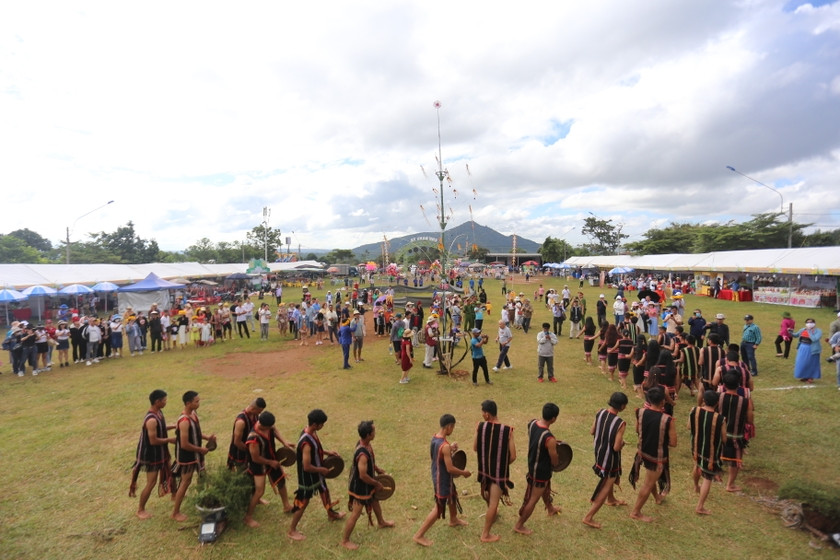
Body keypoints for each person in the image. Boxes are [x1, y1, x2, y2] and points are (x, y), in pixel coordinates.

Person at [413, 413, 471, 546]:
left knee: (452, 496)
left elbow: (436, 455)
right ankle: (419, 535)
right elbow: (450, 468)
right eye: (453, 427)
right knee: (439, 507)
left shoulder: (435, 438)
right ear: (449, 427)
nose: (453, 430)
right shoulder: (444, 446)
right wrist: (463, 473)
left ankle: (453, 519)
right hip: (442, 478)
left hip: (437, 473)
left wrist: (451, 449)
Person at [289, 409, 345, 541]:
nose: (322, 426)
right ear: (315, 424)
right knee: (303, 502)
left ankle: (331, 514)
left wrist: (327, 453)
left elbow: (317, 449)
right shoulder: (306, 443)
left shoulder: (311, 431)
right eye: (321, 424)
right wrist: (321, 470)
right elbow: (306, 466)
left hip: (317, 472)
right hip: (308, 477)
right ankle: (292, 530)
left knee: (324, 491)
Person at [340, 420, 394, 549]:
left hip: (368, 483)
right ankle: (345, 540)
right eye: (374, 431)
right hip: (360, 487)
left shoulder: (366, 444)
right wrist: (376, 483)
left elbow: (369, 462)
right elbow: (362, 475)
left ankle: (381, 522)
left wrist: (376, 468)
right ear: (369, 435)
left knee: (375, 500)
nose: (375, 433)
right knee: (356, 514)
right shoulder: (362, 453)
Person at [628, 386, 677, 522]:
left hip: (642, 452)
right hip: (657, 456)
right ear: (662, 402)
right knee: (648, 483)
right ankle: (636, 512)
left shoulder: (640, 412)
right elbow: (673, 443)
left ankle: (657, 497)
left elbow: (638, 429)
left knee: (650, 479)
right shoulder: (668, 420)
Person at [514, 403, 562, 535]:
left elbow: (537, 440)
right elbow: (554, 460)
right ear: (553, 419)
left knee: (545, 488)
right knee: (533, 499)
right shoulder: (549, 438)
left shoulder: (533, 423)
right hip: (541, 471)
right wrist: (557, 456)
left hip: (532, 464)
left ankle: (550, 508)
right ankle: (519, 525)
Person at [582, 392, 628, 528]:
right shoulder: (620, 423)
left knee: (608, 479)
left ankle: (611, 499)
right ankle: (588, 517)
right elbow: (616, 447)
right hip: (610, 458)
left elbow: (592, 431)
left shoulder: (600, 412)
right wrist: (622, 443)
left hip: (599, 452)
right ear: (623, 406)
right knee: (607, 483)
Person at [473, 400, 516, 542]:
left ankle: (492, 517)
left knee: (488, 498)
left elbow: (475, 448)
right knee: (493, 504)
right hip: (498, 474)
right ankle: (485, 534)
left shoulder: (480, 427)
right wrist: (502, 464)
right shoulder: (507, 430)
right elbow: (513, 456)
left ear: (486, 414)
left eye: (482, 413)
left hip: (485, 472)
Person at [129, 389, 176, 519]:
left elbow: (160, 428)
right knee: (151, 482)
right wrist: (169, 440)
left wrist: (172, 426)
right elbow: (153, 440)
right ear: (157, 402)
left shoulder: (159, 413)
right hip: (151, 456)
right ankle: (140, 510)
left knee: (170, 471)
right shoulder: (151, 420)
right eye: (164, 400)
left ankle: (174, 495)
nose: (166, 402)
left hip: (160, 452)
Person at [171, 391, 215, 521]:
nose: (198, 403)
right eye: (196, 401)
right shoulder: (184, 421)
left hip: (197, 454)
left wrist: (208, 437)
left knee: (202, 476)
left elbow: (195, 433)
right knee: (186, 482)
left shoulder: (193, 414)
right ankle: (175, 512)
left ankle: (201, 500)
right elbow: (184, 444)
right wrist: (200, 449)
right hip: (187, 456)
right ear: (188, 403)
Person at [243, 411, 288, 527]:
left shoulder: (268, 424)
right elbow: (255, 458)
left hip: (272, 458)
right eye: (268, 427)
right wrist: (270, 462)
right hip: (259, 465)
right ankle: (248, 518)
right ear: (262, 424)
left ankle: (286, 506)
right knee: (259, 491)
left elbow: (274, 430)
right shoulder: (253, 438)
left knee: (281, 481)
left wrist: (284, 442)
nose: (271, 428)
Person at [688, 391, 725, 515]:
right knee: (708, 477)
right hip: (711, 454)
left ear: (704, 400)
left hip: (696, 448)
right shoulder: (720, 419)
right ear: (717, 403)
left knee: (697, 465)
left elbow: (689, 426)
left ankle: (695, 486)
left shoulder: (694, 410)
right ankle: (700, 506)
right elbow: (724, 439)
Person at [718, 372, 753, 492]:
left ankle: (713, 474)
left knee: (715, 454)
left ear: (724, 384)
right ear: (738, 385)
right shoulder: (745, 401)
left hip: (718, 433)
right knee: (735, 461)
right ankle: (730, 484)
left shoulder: (718, 396)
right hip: (736, 434)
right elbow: (750, 419)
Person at [791, 318, 822, 383]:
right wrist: (790, 332)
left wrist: (809, 332)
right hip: (802, 347)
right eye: (807, 322)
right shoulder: (802, 330)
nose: (809, 324)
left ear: (814, 323)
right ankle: (804, 376)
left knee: (811, 363)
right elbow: (796, 335)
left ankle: (810, 377)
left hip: (812, 348)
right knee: (802, 362)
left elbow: (814, 339)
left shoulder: (818, 331)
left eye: (811, 322)